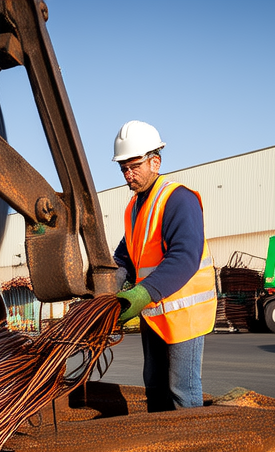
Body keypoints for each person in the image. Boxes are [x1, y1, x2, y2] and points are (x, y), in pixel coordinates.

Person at [112, 120, 217, 411]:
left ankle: (193, 450)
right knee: (155, 386)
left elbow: (185, 256)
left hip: (185, 314)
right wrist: (112, 284)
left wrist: (141, 294)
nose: (128, 175)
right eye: (123, 168)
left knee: (182, 391)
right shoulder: (135, 208)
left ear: (155, 162)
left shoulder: (177, 199)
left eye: (134, 166)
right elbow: (125, 256)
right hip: (155, 313)